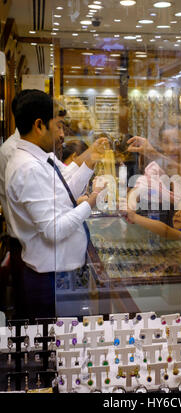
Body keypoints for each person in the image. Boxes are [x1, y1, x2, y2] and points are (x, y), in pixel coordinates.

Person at [5, 90, 106, 321]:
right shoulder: (28, 168)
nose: (61, 134)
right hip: (48, 280)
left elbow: (66, 188)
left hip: (58, 275)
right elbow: (53, 231)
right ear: (39, 125)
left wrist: (91, 158)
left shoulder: (40, 158)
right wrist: (89, 204)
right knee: (55, 348)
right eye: (58, 126)